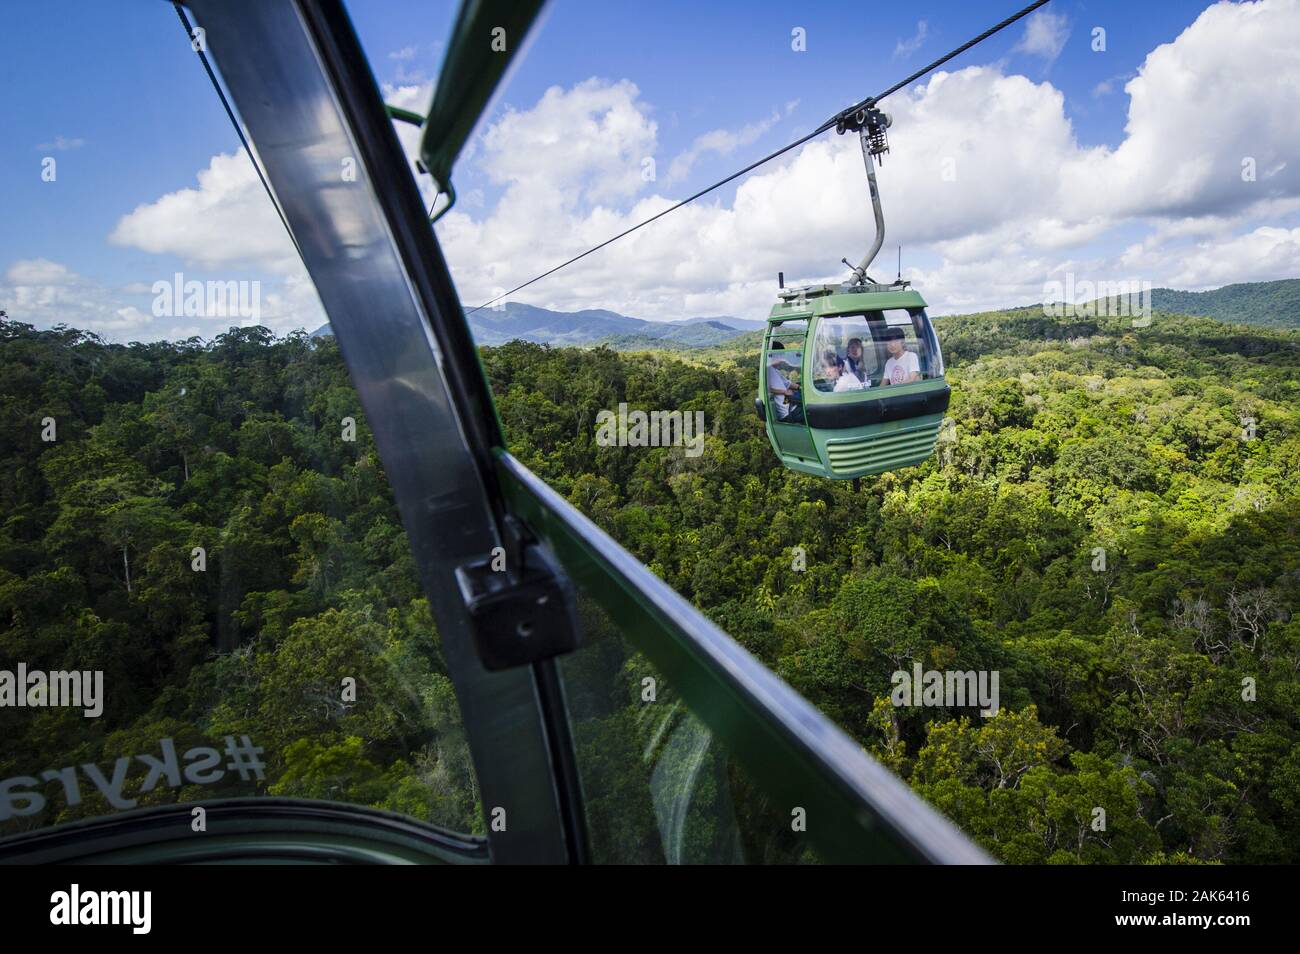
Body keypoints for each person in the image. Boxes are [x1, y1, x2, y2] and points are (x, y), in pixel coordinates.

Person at [766, 341, 804, 422]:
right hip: (788, 412)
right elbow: (767, 388)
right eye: (780, 355)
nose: (781, 359)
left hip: (790, 404)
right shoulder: (767, 370)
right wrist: (784, 392)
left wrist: (801, 387)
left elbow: (788, 384)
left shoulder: (775, 371)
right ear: (773, 355)